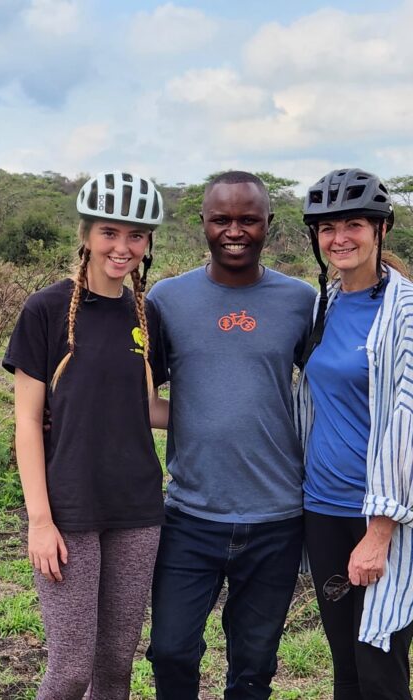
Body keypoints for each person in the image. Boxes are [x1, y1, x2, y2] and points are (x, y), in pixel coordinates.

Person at [145, 171, 317, 699]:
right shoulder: (166, 300)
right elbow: (136, 393)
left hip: (276, 517)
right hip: (191, 512)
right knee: (171, 650)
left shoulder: (302, 301)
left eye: (248, 219)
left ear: (270, 223)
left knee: (254, 661)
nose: (234, 230)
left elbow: (325, 391)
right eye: (222, 219)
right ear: (203, 223)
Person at [3, 170, 168, 699]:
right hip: (69, 510)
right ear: (85, 235)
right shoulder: (45, 310)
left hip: (138, 510)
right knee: (71, 670)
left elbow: (144, 409)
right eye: (109, 233)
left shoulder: (148, 316)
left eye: (135, 236)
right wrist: (39, 521)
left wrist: (232, 416)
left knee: (117, 668)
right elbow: (27, 421)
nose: (123, 248)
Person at [295, 168, 413, 699]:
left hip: (380, 519)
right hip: (323, 510)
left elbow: (406, 420)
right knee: (345, 664)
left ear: (380, 230)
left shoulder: (405, 312)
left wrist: (380, 530)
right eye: (327, 227)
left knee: (380, 665)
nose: (339, 238)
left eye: (354, 224)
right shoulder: (325, 303)